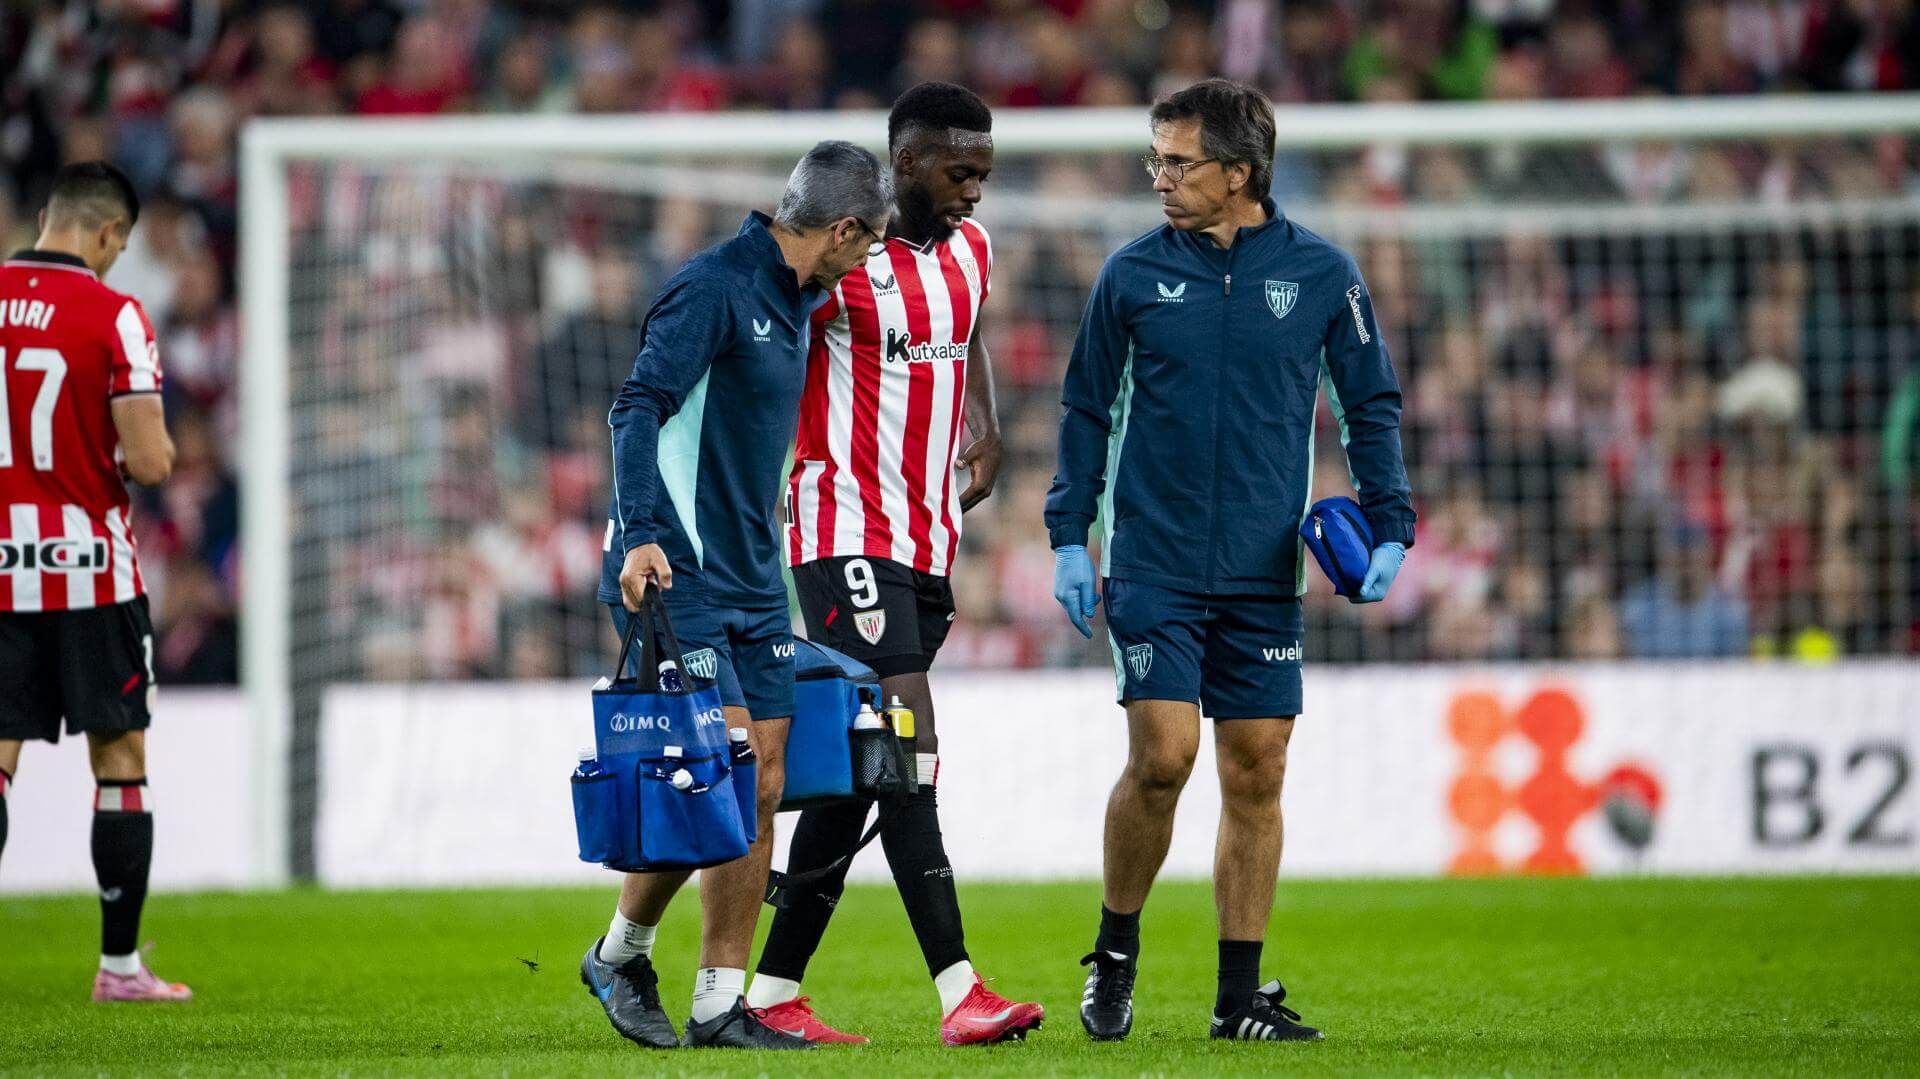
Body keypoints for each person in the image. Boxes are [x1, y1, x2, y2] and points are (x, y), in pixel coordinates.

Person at [1045, 80, 1415, 1043]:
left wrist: (1393, 525)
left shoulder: (1325, 275)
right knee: (1162, 757)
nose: (1159, 178)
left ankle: (1237, 997)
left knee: (1258, 769)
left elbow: (1370, 402)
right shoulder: (1129, 275)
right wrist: (1067, 534)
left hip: (1263, 570)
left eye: (1179, 162)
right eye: (1154, 161)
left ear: (1240, 172)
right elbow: (1084, 409)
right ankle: (1115, 955)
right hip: (1152, 561)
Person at [746, 81, 1044, 1047]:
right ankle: (961, 990)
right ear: (906, 163)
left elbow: (968, 334)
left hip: (927, 539)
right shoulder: (843, 258)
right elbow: (756, 343)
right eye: (961, 173)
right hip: (840, 531)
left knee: (860, 763)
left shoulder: (975, 251)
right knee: (906, 737)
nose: (975, 193)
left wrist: (988, 425)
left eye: (985, 175)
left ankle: (770, 991)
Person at [578, 140, 890, 1051]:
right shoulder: (713, 286)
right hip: (676, 569)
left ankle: (718, 1001)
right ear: (840, 230)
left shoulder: (802, 296)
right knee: (721, 766)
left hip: (756, 576)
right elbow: (636, 407)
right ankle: (622, 949)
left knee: (759, 784)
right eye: (867, 241)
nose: (870, 255)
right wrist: (637, 535)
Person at [0, 162, 183, 1002]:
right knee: (119, 762)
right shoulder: (114, 314)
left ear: (45, 215)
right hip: (88, 570)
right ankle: (118, 969)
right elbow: (148, 459)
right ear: (108, 234)